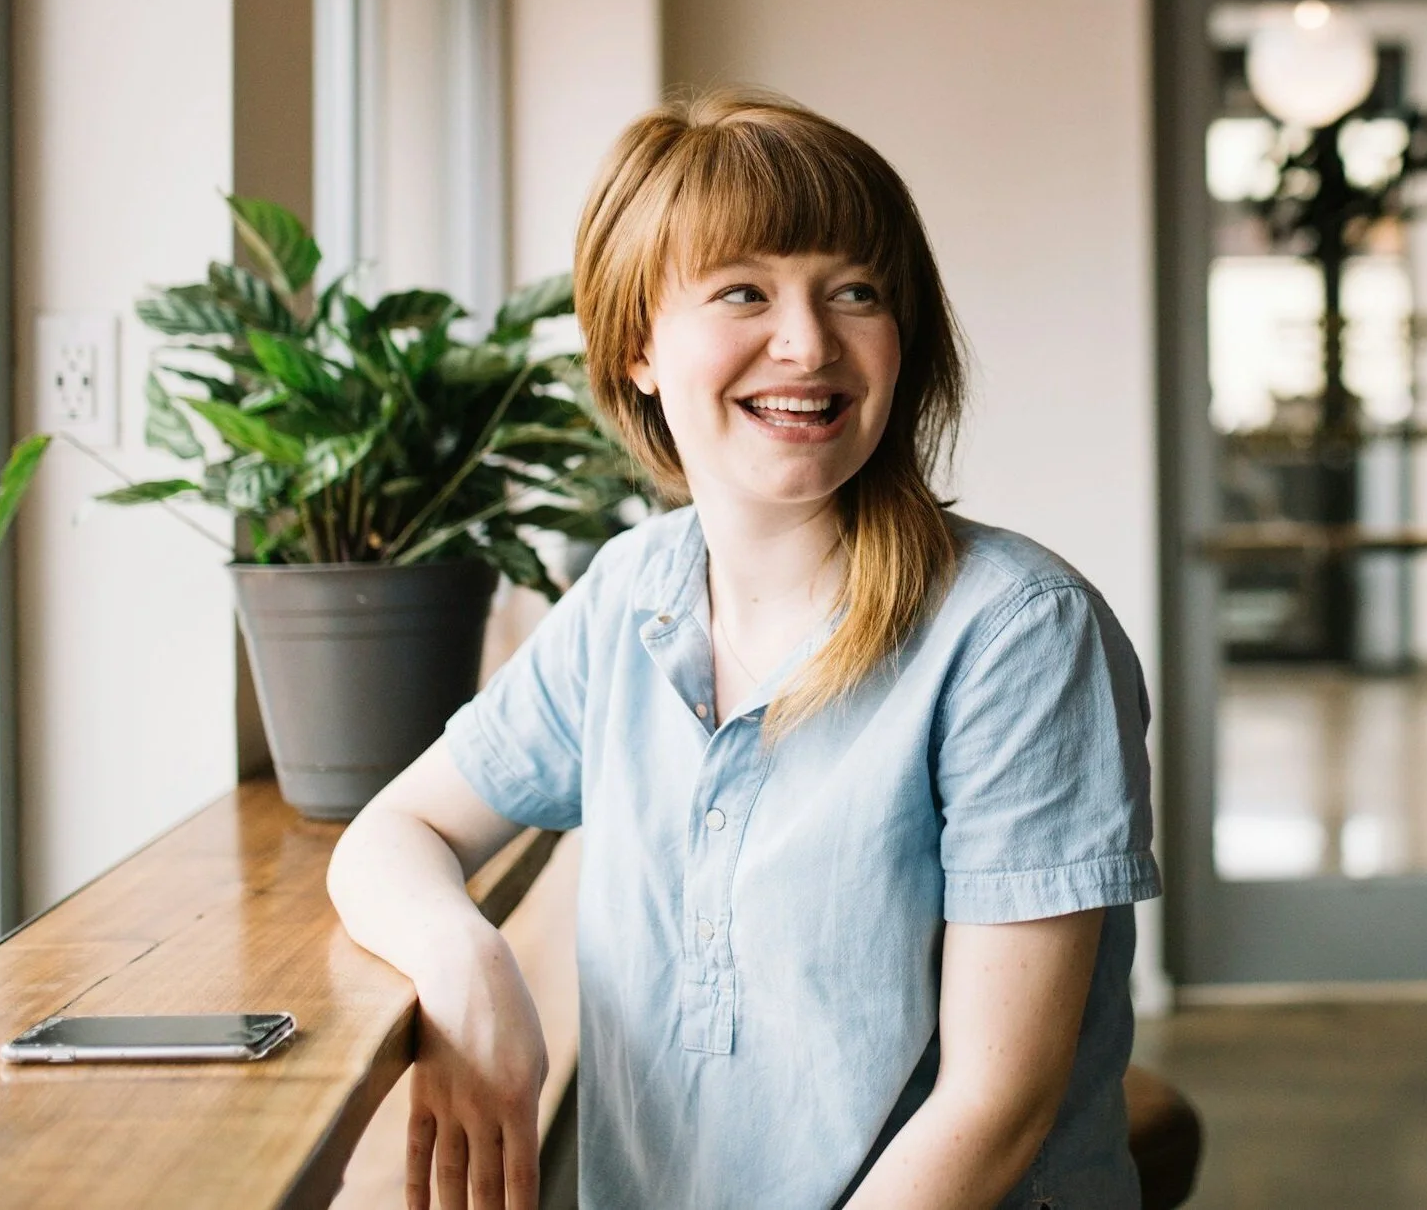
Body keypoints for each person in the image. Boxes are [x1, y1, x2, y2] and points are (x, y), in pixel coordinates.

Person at [327, 87, 1161, 1210]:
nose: (808, 342)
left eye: (855, 291)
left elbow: (993, 1109)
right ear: (636, 348)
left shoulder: (1018, 631)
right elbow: (395, 830)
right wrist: (465, 961)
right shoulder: (630, 592)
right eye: (743, 292)